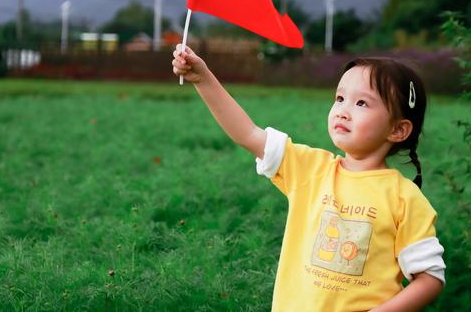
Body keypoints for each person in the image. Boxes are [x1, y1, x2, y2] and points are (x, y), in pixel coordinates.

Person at [172, 46, 446, 311]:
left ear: (398, 130)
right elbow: (248, 134)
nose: (343, 110)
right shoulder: (310, 169)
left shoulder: (404, 198)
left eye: (362, 102)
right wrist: (202, 78)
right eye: (340, 99)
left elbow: (429, 279)